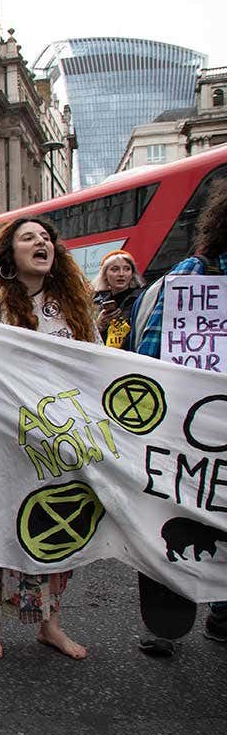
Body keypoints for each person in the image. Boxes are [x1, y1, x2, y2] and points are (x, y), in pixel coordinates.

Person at [0, 216, 96, 660]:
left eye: (46, 238)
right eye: (29, 238)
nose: (41, 243)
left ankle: (50, 621)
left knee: (56, 526)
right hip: (2, 446)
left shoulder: (75, 308)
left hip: (60, 444)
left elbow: (94, 369)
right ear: (9, 253)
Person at [128, 181, 227, 655]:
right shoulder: (196, 275)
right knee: (183, 518)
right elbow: (151, 356)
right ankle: (167, 620)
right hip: (190, 428)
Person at [92, 249, 145, 348]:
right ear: (105, 275)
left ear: (132, 274)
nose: (121, 274)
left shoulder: (142, 299)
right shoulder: (96, 303)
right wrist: (99, 325)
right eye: (115, 269)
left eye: (127, 269)